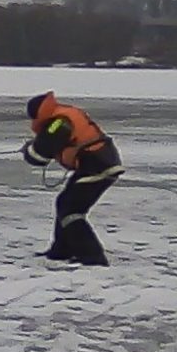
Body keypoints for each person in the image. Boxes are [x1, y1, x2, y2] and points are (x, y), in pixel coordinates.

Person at [21, 92, 122, 266]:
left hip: (97, 165)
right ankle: (61, 251)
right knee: (65, 202)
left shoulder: (59, 123)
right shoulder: (61, 116)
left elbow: (39, 156)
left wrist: (28, 150)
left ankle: (92, 257)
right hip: (98, 162)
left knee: (71, 209)